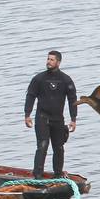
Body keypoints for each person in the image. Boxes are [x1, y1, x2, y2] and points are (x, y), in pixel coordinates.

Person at [23, 49, 77, 178]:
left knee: (59, 148)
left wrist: (73, 119)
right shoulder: (39, 79)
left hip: (58, 119)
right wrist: (27, 114)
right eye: (48, 59)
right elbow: (30, 96)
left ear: (58, 62)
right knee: (42, 146)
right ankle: (38, 175)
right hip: (42, 118)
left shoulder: (66, 80)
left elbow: (72, 100)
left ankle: (58, 174)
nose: (48, 61)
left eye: (52, 60)